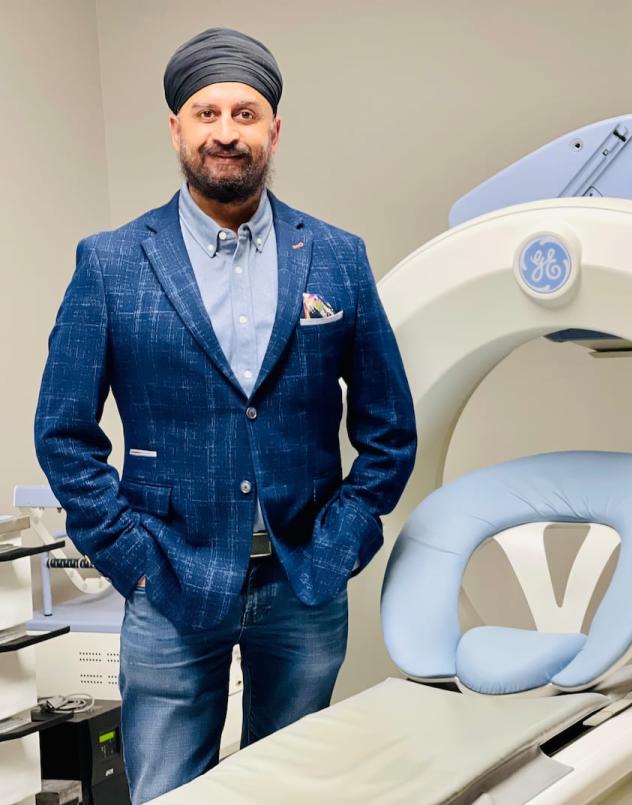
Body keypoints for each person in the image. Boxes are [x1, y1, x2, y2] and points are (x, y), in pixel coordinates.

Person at [34, 27, 416, 804]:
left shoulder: (337, 257)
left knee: (294, 790)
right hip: (170, 580)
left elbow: (388, 428)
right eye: (206, 113)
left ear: (274, 130)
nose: (226, 132)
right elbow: (64, 433)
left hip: (301, 584)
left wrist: (340, 545)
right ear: (176, 128)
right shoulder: (111, 263)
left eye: (245, 114)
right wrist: (133, 559)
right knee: (169, 792)